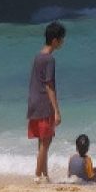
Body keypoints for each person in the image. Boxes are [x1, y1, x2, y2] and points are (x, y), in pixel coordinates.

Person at [27, 21, 66, 183]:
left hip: (33, 102)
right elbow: (49, 86)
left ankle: (45, 175)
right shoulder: (49, 59)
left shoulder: (38, 56)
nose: (63, 42)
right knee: (46, 141)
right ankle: (37, 176)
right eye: (62, 39)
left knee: (41, 142)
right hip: (44, 103)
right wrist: (56, 110)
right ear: (55, 40)